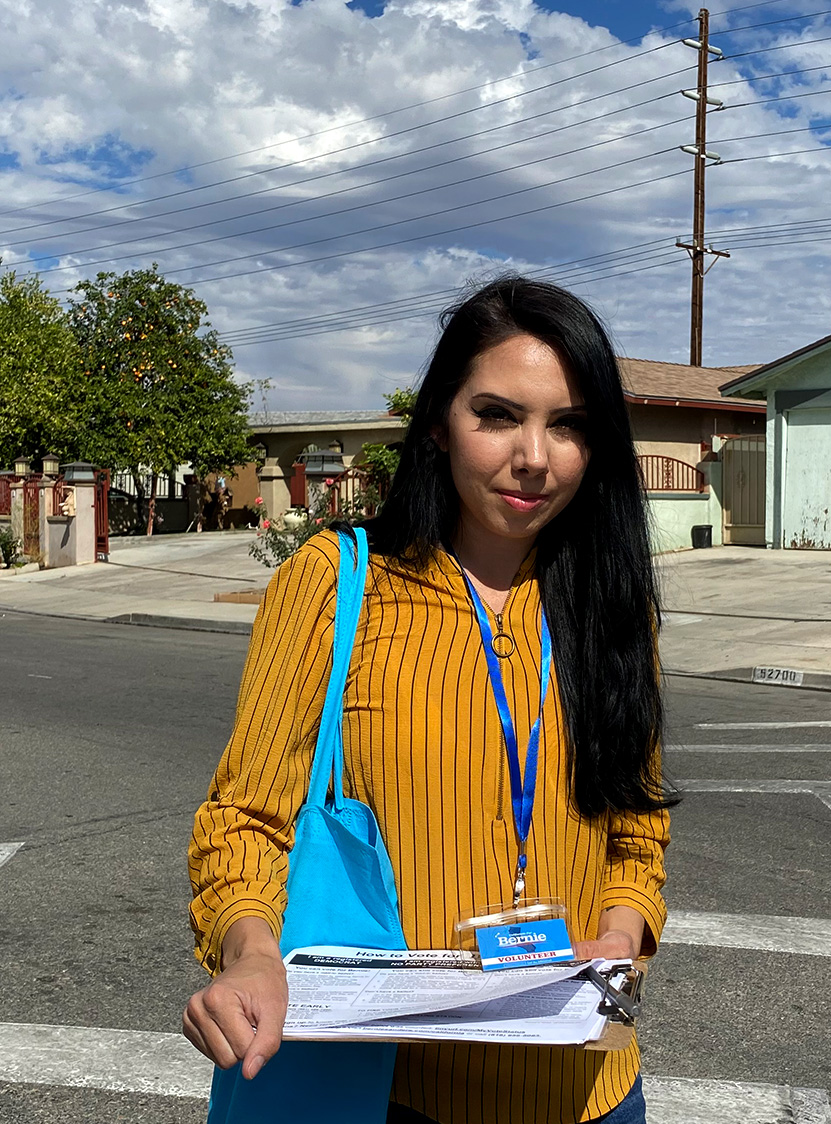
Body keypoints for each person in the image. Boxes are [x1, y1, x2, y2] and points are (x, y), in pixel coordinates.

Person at [183, 276, 674, 1123]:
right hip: (391, 1096)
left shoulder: (612, 606)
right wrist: (250, 952)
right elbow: (246, 817)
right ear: (440, 424)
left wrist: (621, 936)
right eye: (497, 415)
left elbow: (638, 829)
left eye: (568, 424)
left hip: (589, 1093)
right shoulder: (337, 584)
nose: (534, 455)